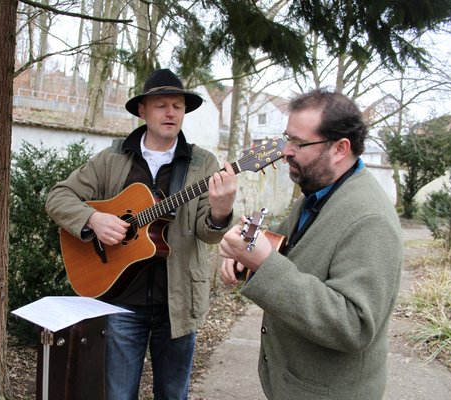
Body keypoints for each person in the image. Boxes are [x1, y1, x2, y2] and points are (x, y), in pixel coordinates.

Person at [46, 68, 237, 400]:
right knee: (118, 395)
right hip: (120, 302)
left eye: (177, 106)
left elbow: (209, 234)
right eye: (161, 105)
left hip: (177, 304)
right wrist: (93, 219)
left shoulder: (202, 164)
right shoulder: (113, 158)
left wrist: (221, 210)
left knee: (172, 395)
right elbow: (58, 197)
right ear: (142, 111)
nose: (170, 113)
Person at [219, 89, 403, 400]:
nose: (285, 151)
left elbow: (354, 324)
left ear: (340, 148)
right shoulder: (319, 192)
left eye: (299, 143)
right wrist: (245, 255)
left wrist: (263, 264)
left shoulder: (371, 219)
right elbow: (288, 246)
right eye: (286, 138)